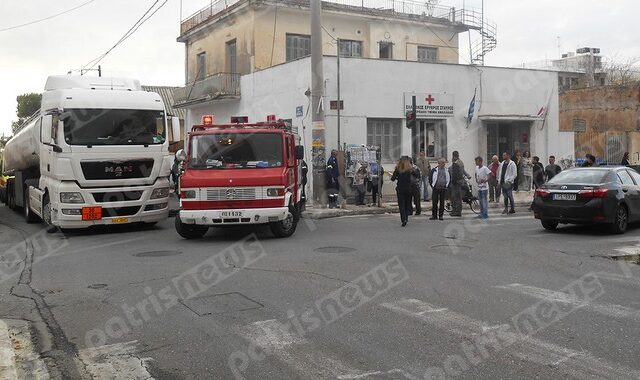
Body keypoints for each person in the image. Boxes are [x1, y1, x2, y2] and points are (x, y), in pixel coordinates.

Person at [391, 157, 414, 227]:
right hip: (408, 189)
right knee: (407, 204)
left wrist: (397, 177)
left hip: (400, 189)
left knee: (401, 205)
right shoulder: (410, 169)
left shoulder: (398, 169)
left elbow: (392, 179)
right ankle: (406, 218)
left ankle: (403, 219)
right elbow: (416, 175)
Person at [449, 151, 465, 217]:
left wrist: (453, 181)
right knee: (458, 197)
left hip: (456, 182)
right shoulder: (460, 162)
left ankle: (456, 211)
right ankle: (457, 211)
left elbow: (456, 174)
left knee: (455, 197)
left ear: (454, 156)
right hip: (459, 182)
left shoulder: (456, 163)